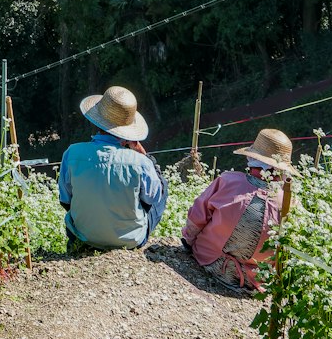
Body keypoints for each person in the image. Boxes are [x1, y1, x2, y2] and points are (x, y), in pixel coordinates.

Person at [181, 127, 297, 291]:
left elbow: (196, 218)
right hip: (255, 279)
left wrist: (189, 240)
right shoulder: (289, 201)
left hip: (209, 260)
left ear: (253, 159)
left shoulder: (228, 181)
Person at [58, 85, 168, 251]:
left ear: (97, 122)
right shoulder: (140, 162)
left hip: (83, 234)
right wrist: (147, 158)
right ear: (128, 134)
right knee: (161, 187)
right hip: (131, 240)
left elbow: (65, 200)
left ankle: (84, 241)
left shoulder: (72, 152)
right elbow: (152, 199)